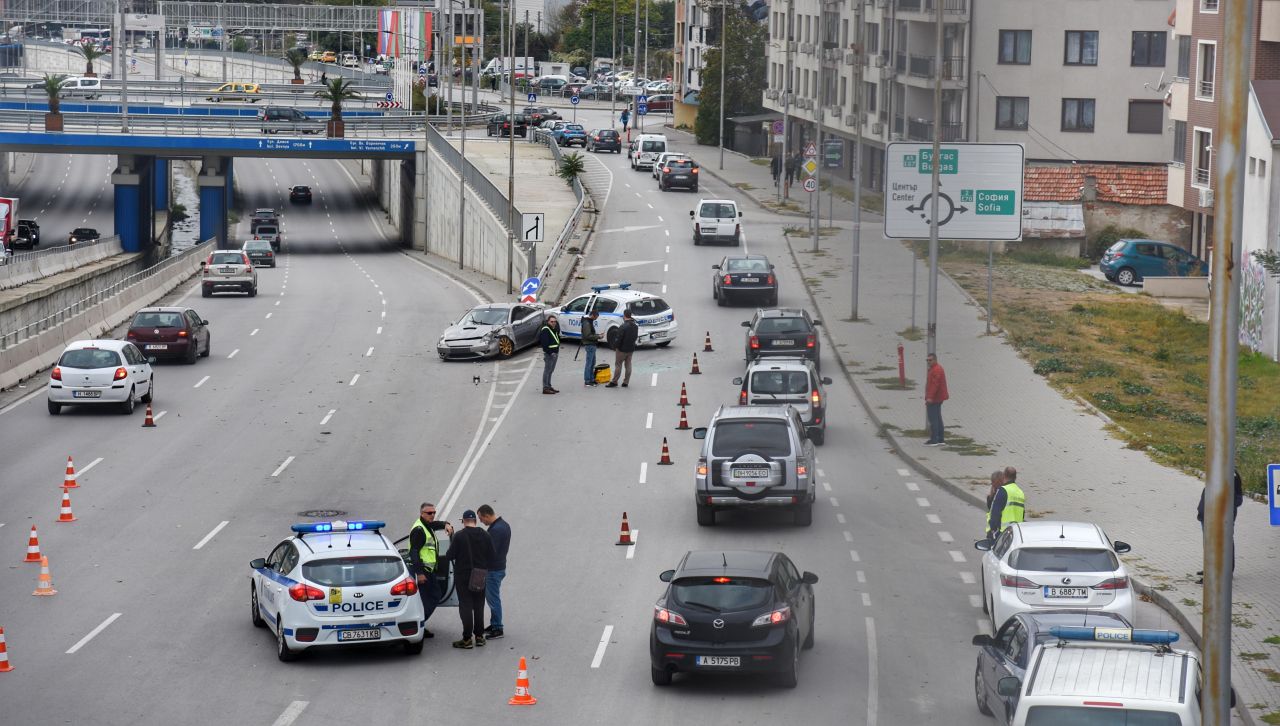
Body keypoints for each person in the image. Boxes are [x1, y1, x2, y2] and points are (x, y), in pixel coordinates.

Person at [440, 510, 496, 649]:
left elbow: (450, 555)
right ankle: (479, 637)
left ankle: (466, 639)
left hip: (463, 576)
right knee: (479, 605)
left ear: (464, 521)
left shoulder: (459, 536)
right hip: (480, 575)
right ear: (475, 521)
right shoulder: (485, 535)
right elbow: (492, 556)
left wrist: (451, 539)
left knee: (465, 606)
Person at [408, 502, 454, 638]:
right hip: (423, 572)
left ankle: (420, 625)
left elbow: (435, 525)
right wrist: (420, 573)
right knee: (434, 596)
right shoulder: (419, 530)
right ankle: (419, 624)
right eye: (429, 513)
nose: (432, 515)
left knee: (424, 599)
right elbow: (413, 552)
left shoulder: (425, 525)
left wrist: (446, 524)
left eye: (434, 512)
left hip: (428, 570)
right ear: (422, 514)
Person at [1195, 469, 1245, 583]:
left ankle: (1221, 572)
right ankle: (1210, 569)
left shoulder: (1230, 474)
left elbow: (1236, 498)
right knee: (1209, 544)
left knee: (1221, 544)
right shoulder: (1217, 469)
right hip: (1207, 514)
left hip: (1220, 516)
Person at [477, 505, 510, 639]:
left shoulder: (496, 530)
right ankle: (494, 623)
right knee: (493, 598)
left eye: (481, 518)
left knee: (493, 599)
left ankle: (498, 628)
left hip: (493, 570)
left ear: (486, 515)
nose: (481, 522)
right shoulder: (504, 525)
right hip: (499, 567)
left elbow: (491, 551)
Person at [987, 466, 1025, 539]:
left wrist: (993, 531)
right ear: (1015, 477)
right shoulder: (1020, 492)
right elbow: (1022, 514)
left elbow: (995, 512)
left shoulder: (1003, 490)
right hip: (1015, 535)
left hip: (1002, 535)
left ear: (1004, 476)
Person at [605, 310, 639, 388]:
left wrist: (615, 347)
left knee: (618, 365)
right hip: (630, 349)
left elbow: (618, 339)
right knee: (628, 365)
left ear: (624, 315)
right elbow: (635, 337)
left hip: (621, 349)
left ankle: (614, 381)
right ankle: (626, 382)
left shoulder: (623, 326)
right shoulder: (635, 326)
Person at [924, 353, 949, 446]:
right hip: (938, 397)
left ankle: (934, 439)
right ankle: (940, 439)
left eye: (930, 360)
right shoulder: (935, 369)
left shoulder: (936, 370)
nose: (928, 362)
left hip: (935, 398)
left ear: (935, 360)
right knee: (938, 418)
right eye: (927, 360)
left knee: (933, 419)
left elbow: (934, 385)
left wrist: (930, 397)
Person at [539, 314, 561, 394]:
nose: (553, 323)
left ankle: (549, 386)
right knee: (547, 371)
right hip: (549, 354)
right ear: (548, 322)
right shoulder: (545, 330)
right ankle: (545, 388)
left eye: (555, 322)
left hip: (555, 353)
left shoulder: (553, 329)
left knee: (551, 371)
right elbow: (544, 344)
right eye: (552, 322)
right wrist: (551, 353)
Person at [582, 310, 600, 387]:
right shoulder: (586, 323)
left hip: (592, 344)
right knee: (589, 363)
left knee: (592, 363)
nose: (596, 319)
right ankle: (587, 381)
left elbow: (590, 334)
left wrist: (597, 335)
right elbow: (587, 335)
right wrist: (598, 336)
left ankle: (592, 379)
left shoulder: (589, 321)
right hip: (589, 345)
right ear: (593, 315)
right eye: (596, 317)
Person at [984, 469, 1005, 537]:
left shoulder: (1003, 493)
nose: (992, 485)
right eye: (992, 482)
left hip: (999, 530)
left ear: (1001, 481)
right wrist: (991, 496)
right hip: (992, 530)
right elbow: (991, 509)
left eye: (994, 482)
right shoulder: (992, 495)